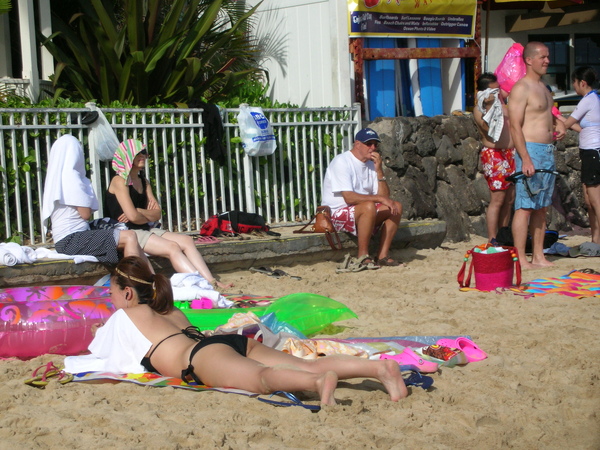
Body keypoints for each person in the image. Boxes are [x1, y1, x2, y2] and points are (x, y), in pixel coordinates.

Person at [64, 256, 408, 405]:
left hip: (200, 357)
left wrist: (98, 331)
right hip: (226, 342)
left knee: (262, 380)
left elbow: (100, 358)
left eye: (110, 293)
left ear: (126, 293)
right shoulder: (169, 309)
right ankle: (378, 369)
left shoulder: (125, 317)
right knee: (307, 362)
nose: (109, 300)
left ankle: (317, 385)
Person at [106, 139, 231, 289]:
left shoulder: (143, 181)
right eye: (138, 153)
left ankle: (212, 281)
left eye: (144, 152)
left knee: (187, 241)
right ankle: (205, 286)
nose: (143, 156)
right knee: (172, 247)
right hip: (127, 231)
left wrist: (140, 211)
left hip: (145, 228)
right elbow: (132, 218)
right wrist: (142, 214)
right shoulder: (120, 181)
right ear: (127, 156)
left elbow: (157, 214)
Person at [42, 135, 150, 267]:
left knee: (124, 237)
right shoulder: (72, 178)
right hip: (72, 240)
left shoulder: (57, 179)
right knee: (130, 236)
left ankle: (148, 280)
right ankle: (138, 281)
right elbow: (85, 214)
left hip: (64, 240)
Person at [507, 41, 566, 269]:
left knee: (542, 206)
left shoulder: (544, 87)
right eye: (542, 56)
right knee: (524, 206)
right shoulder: (521, 88)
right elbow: (515, 125)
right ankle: (521, 257)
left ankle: (539, 255)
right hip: (529, 150)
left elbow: (544, 114)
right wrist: (526, 158)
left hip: (547, 151)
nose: (547, 60)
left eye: (548, 56)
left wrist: (558, 122)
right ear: (529, 60)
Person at [321, 128, 403, 269]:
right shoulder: (342, 161)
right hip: (335, 213)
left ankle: (382, 256)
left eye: (375, 144)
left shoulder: (371, 165)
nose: (373, 148)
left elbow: (384, 197)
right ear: (357, 144)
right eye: (369, 144)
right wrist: (379, 199)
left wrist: (379, 171)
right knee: (369, 206)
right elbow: (349, 198)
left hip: (362, 211)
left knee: (395, 206)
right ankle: (363, 256)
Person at [473, 72, 516, 243]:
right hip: (494, 154)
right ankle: (492, 237)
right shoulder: (480, 110)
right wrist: (490, 106)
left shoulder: (504, 105)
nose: (497, 93)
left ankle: (503, 233)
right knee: (497, 198)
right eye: (493, 91)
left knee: (509, 198)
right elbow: (488, 128)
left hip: (510, 153)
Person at [563, 67, 600, 243]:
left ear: (582, 83)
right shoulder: (591, 99)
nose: (573, 86)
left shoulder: (589, 99)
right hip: (588, 151)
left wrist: (556, 120)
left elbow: (569, 122)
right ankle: (596, 239)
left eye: (574, 82)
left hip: (594, 151)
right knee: (588, 200)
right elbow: (580, 126)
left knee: (595, 199)